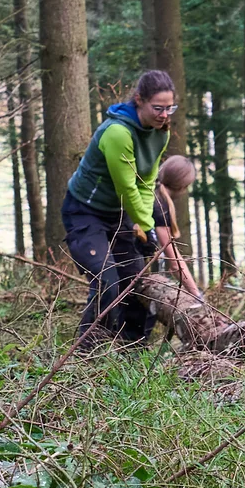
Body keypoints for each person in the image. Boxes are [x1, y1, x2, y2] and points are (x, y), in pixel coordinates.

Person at [63, 70, 178, 344]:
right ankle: (89, 352)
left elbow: (146, 180)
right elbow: (127, 188)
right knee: (107, 282)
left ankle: (132, 354)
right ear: (139, 100)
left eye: (169, 108)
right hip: (85, 212)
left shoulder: (160, 133)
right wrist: (149, 228)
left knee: (136, 282)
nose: (164, 115)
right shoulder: (117, 132)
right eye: (158, 108)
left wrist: (144, 225)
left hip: (118, 215)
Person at [153, 154, 201, 295]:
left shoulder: (152, 194)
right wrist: (196, 295)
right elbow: (174, 262)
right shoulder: (159, 207)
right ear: (182, 186)